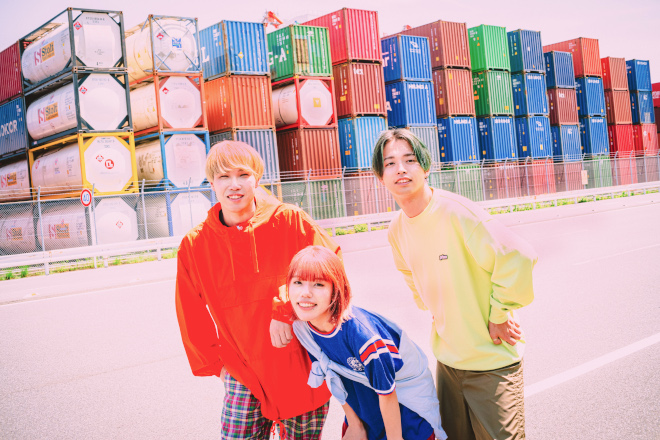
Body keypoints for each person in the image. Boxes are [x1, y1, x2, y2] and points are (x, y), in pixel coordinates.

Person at [371, 128, 537, 440]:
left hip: (492, 360)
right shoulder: (396, 229)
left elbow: (518, 256)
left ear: (426, 167)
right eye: (390, 163)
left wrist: (500, 313)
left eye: (409, 160)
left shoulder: (456, 212)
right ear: (380, 176)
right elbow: (409, 273)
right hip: (447, 364)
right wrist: (433, 306)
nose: (400, 169)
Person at [175, 140, 340, 439]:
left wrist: (286, 309)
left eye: (243, 175)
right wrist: (217, 366)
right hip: (242, 371)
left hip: (300, 365)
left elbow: (331, 269)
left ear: (257, 179)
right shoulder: (196, 245)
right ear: (211, 183)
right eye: (224, 176)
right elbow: (190, 313)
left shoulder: (290, 221)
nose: (234, 185)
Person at [287, 245, 448, 440]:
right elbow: (331, 375)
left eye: (318, 284)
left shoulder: (363, 338)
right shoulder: (305, 328)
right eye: (298, 282)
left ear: (336, 289)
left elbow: (387, 394)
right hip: (363, 417)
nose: (305, 293)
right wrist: (355, 425)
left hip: (404, 420)